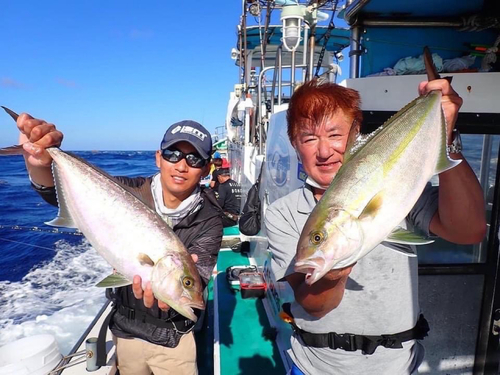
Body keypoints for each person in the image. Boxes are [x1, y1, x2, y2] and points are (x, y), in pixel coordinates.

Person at [265, 79, 487, 375]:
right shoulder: (284, 213)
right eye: (308, 138)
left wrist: (447, 137)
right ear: (294, 144)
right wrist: (334, 273)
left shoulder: (402, 191)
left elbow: (469, 231)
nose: (324, 151)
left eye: (335, 135)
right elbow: (314, 305)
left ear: (356, 134)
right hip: (317, 367)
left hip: (396, 366)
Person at [15, 116, 224, 375]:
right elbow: (57, 193)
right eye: (173, 154)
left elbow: (198, 275)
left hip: (174, 339)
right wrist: (38, 164)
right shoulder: (128, 190)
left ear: (205, 169)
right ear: (158, 157)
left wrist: (187, 287)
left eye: (194, 160)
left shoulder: (210, 219)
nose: (181, 165)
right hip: (126, 332)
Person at [215, 159, 242, 227]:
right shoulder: (236, 184)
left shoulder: (223, 186)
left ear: (220, 176)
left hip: (226, 217)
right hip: (235, 218)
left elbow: (220, 203)